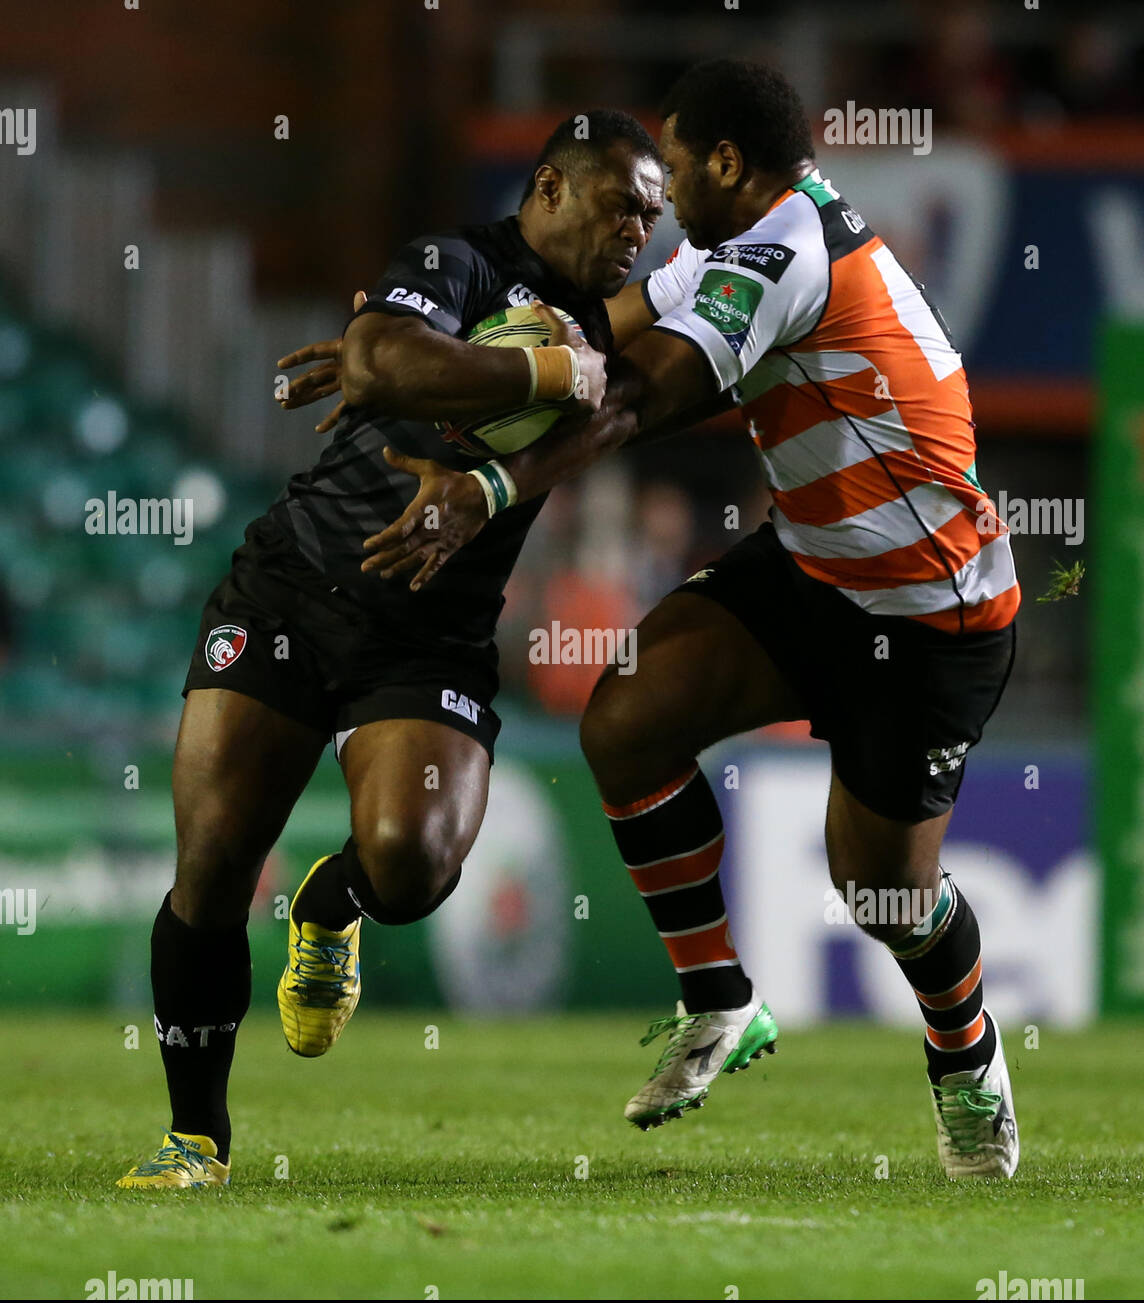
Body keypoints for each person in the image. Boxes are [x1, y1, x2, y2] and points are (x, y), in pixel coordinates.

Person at [365, 61, 1021, 1179]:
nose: (659, 190)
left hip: (929, 610)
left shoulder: (784, 253)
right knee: (623, 723)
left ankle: (966, 1062)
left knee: (881, 890)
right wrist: (408, 355)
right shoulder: (730, 243)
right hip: (813, 574)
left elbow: (629, 395)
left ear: (727, 164)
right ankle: (718, 998)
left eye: (671, 166)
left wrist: (479, 489)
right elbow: (597, 336)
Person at [116, 110, 665, 1189]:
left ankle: (331, 903)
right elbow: (376, 359)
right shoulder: (455, 261)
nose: (638, 229)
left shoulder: (620, 327)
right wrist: (546, 376)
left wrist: (499, 453)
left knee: (413, 865)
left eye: (652, 214)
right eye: (622, 205)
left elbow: (625, 410)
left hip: (430, 629)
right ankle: (196, 1139)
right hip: (289, 587)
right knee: (214, 864)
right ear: (550, 186)